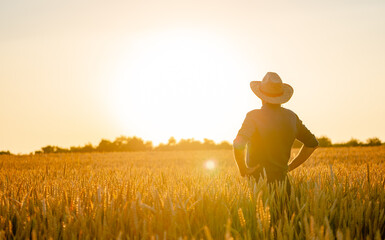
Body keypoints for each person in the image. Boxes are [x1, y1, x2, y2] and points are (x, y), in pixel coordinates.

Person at [233, 72, 318, 189]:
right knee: (284, 208)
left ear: (261, 96)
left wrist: (243, 169)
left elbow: (238, 144)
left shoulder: (253, 116)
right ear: (281, 97)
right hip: (283, 184)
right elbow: (312, 144)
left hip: (258, 183)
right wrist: (290, 167)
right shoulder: (292, 117)